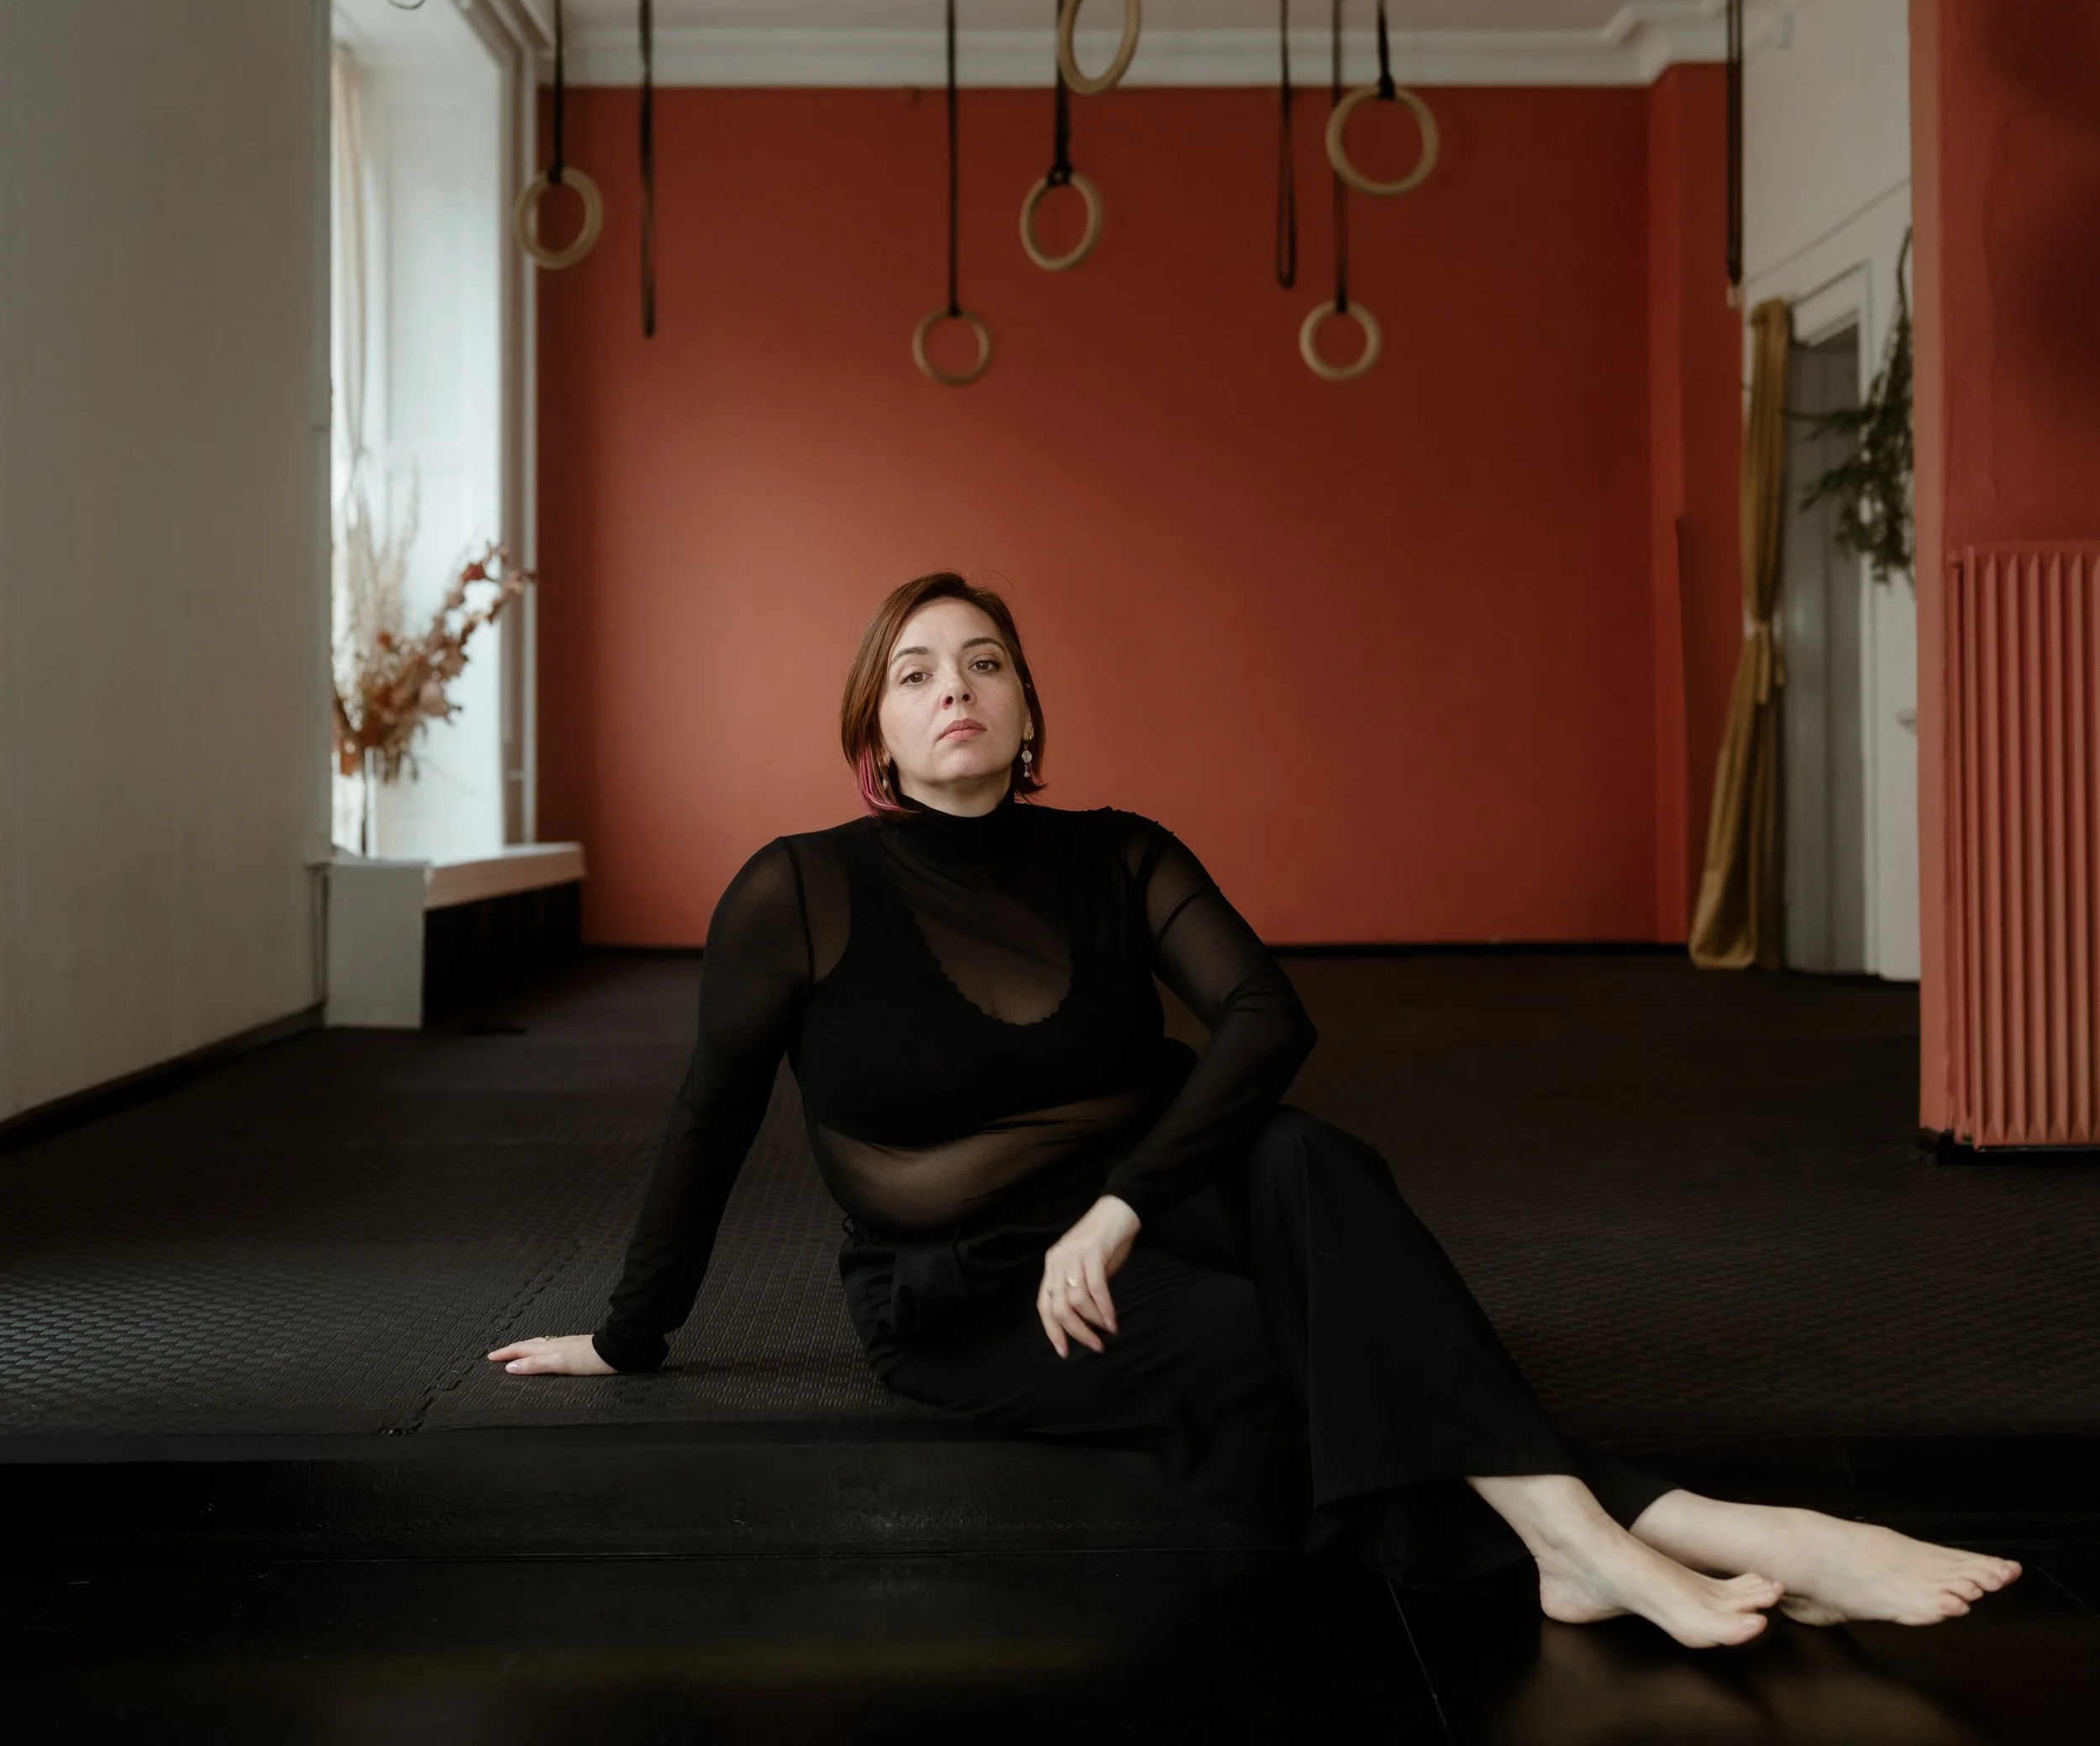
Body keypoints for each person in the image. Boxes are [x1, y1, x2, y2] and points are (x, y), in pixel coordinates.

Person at [491, 570, 2019, 1643]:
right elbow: (708, 1114)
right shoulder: (798, 890)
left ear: (1030, 713)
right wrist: (629, 1333)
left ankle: (1582, 1555)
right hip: (957, 1294)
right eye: (913, 672)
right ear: (874, 739)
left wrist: (1120, 1206)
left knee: (1312, 1160)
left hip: (1141, 1215)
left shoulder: (1119, 850)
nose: (952, 687)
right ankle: (1699, 1537)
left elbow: (1268, 1015)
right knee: (1267, 1356)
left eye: (984, 663)